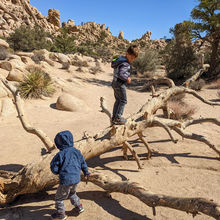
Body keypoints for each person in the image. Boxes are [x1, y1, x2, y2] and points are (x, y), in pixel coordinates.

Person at [50, 130, 91, 220]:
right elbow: (83, 163)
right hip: (76, 178)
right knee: (72, 193)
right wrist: (86, 172)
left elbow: (55, 169)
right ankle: (79, 206)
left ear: (58, 143)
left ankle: (61, 214)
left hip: (66, 180)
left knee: (59, 198)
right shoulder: (77, 151)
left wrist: (56, 171)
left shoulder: (60, 155)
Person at [111, 45, 139, 125]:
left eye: (134, 59)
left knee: (118, 100)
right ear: (127, 54)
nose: (132, 60)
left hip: (114, 83)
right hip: (120, 83)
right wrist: (127, 78)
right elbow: (121, 74)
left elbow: (116, 66)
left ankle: (114, 117)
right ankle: (118, 118)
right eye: (131, 58)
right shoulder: (126, 63)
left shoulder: (120, 61)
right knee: (123, 100)